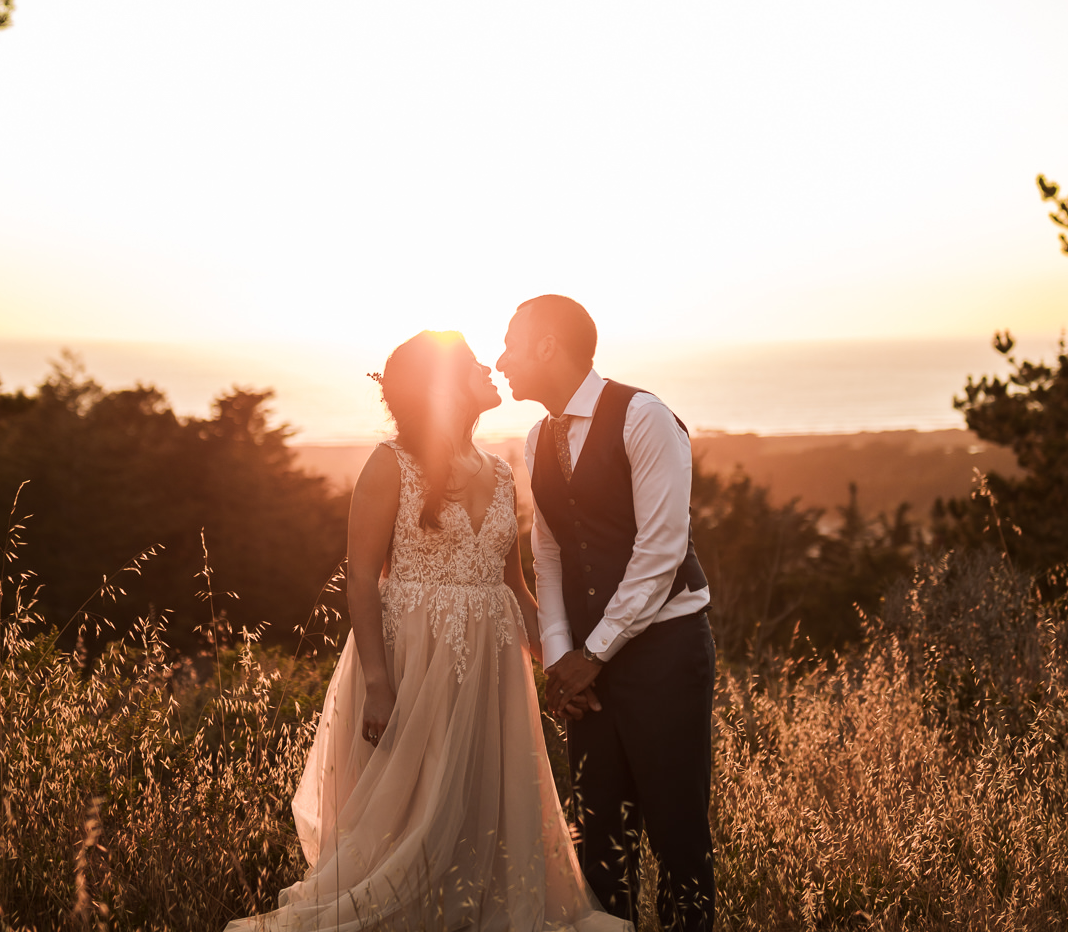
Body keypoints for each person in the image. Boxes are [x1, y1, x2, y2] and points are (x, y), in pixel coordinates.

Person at [226, 330, 628, 932]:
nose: (489, 366)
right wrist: (379, 683)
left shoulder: (499, 467)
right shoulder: (391, 464)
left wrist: (557, 666)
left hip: (491, 666)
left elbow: (514, 588)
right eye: (471, 363)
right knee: (412, 805)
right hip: (412, 657)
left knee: (476, 804)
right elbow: (361, 578)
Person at [496, 296, 717, 932]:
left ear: (546, 346)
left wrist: (592, 655)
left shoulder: (643, 417)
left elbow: (660, 552)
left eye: (512, 343)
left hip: (664, 653)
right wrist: (563, 654)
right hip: (586, 665)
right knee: (601, 839)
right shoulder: (537, 436)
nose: (502, 359)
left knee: (677, 833)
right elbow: (550, 550)